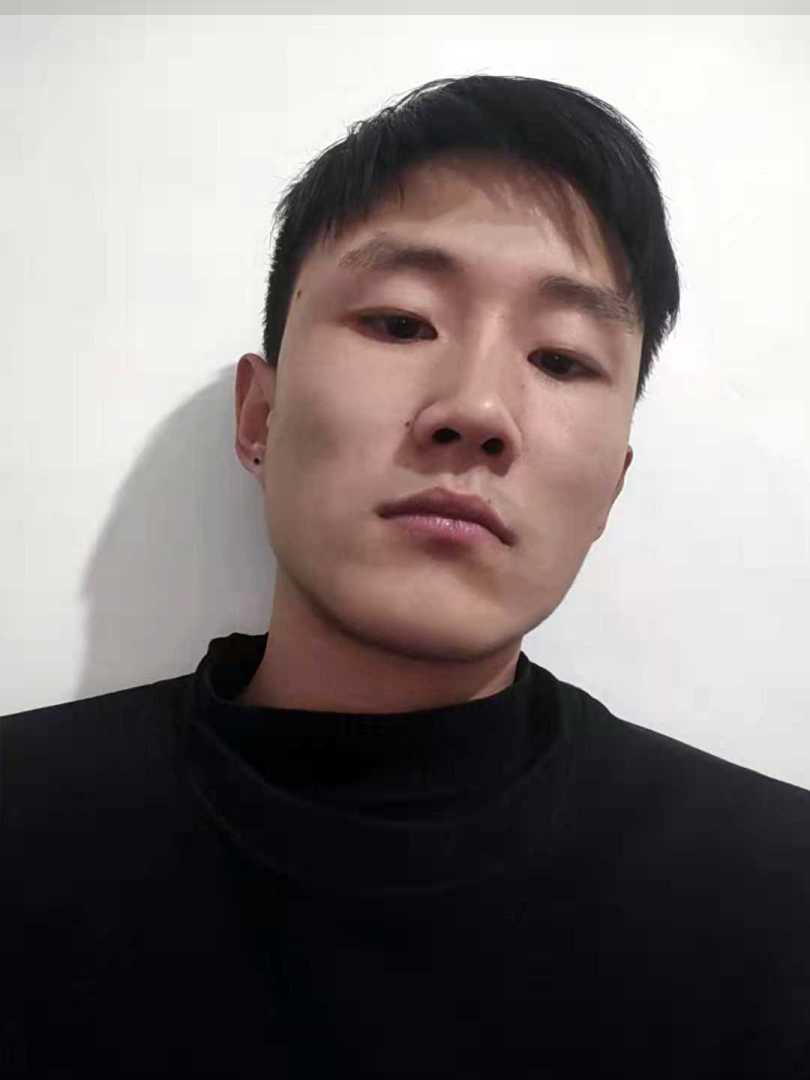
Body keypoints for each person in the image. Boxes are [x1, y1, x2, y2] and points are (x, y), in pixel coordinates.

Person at [2, 74, 808, 1078]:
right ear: (259, 417)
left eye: (561, 359)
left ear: (611, 488)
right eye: (399, 323)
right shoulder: (24, 832)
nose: (477, 410)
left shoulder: (777, 903)